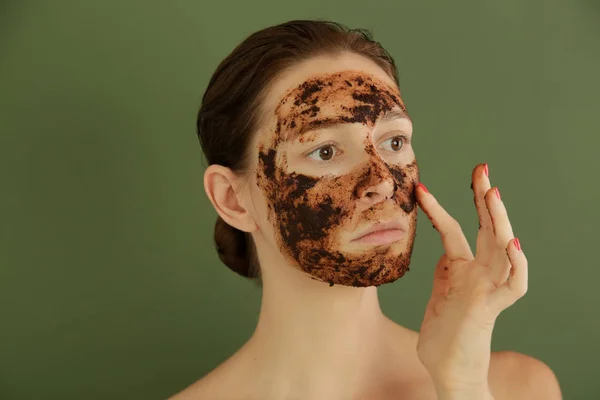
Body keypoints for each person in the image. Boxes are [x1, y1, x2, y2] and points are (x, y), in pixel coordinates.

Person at [171, 20, 562, 400]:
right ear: (232, 199)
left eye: (394, 142)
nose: (384, 181)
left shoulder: (517, 389)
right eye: (325, 151)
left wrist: (462, 387)